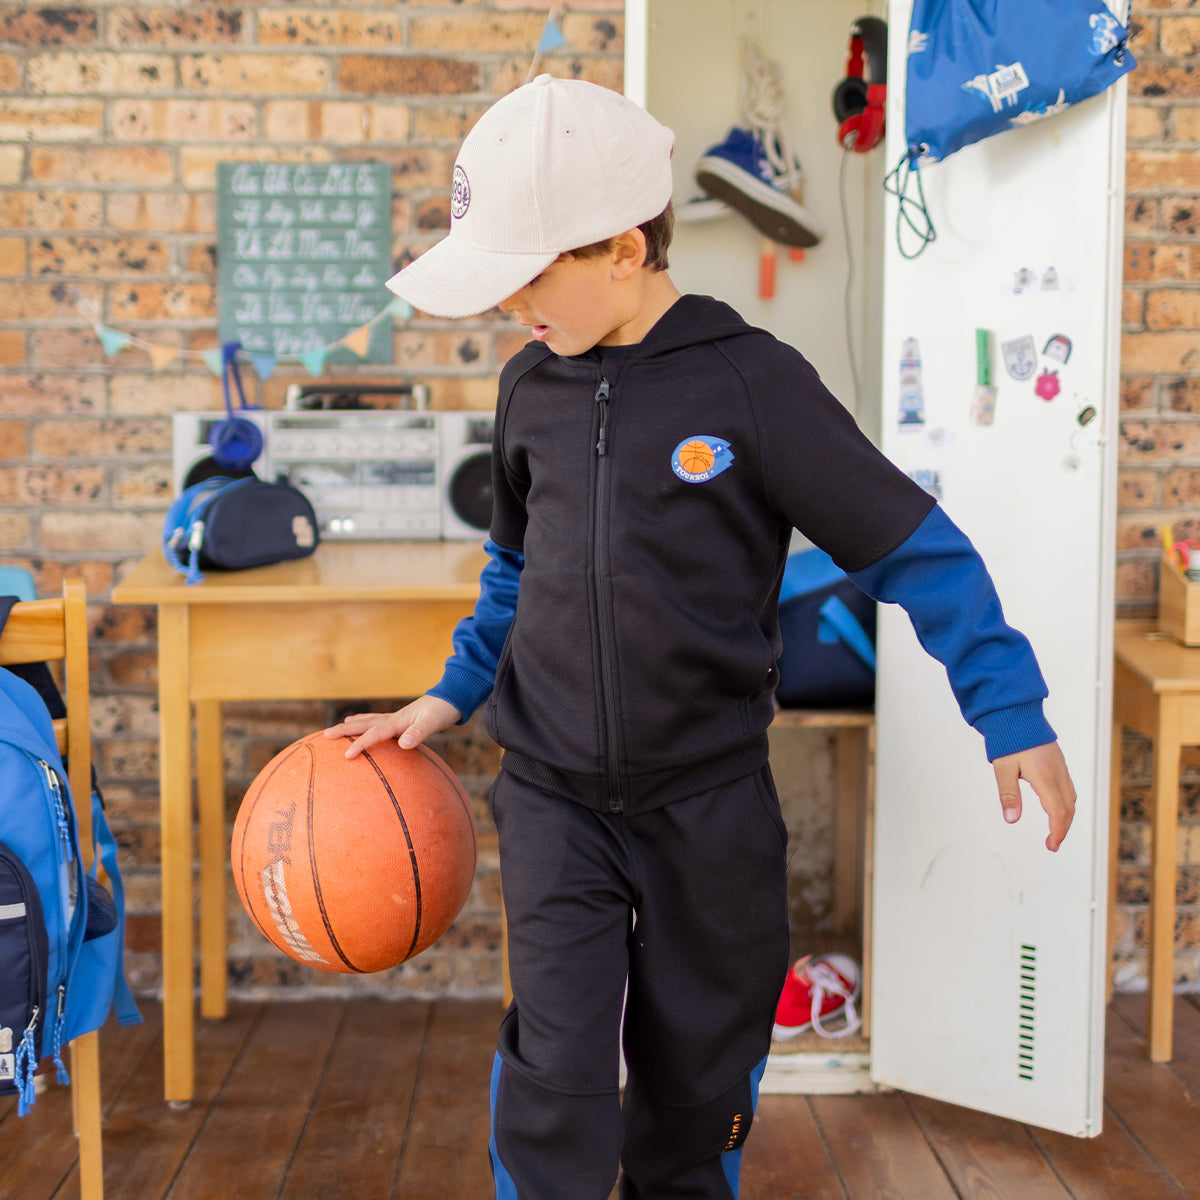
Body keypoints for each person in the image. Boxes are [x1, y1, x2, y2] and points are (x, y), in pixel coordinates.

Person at [324, 74, 1076, 1200]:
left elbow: (916, 550)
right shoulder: (529, 387)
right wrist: (449, 695)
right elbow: (513, 576)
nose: (510, 305)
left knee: (695, 1085)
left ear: (624, 250)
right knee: (556, 1076)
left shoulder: (754, 385)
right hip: (553, 801)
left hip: (711, 810)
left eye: (529, 275)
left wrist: (1009, 710)